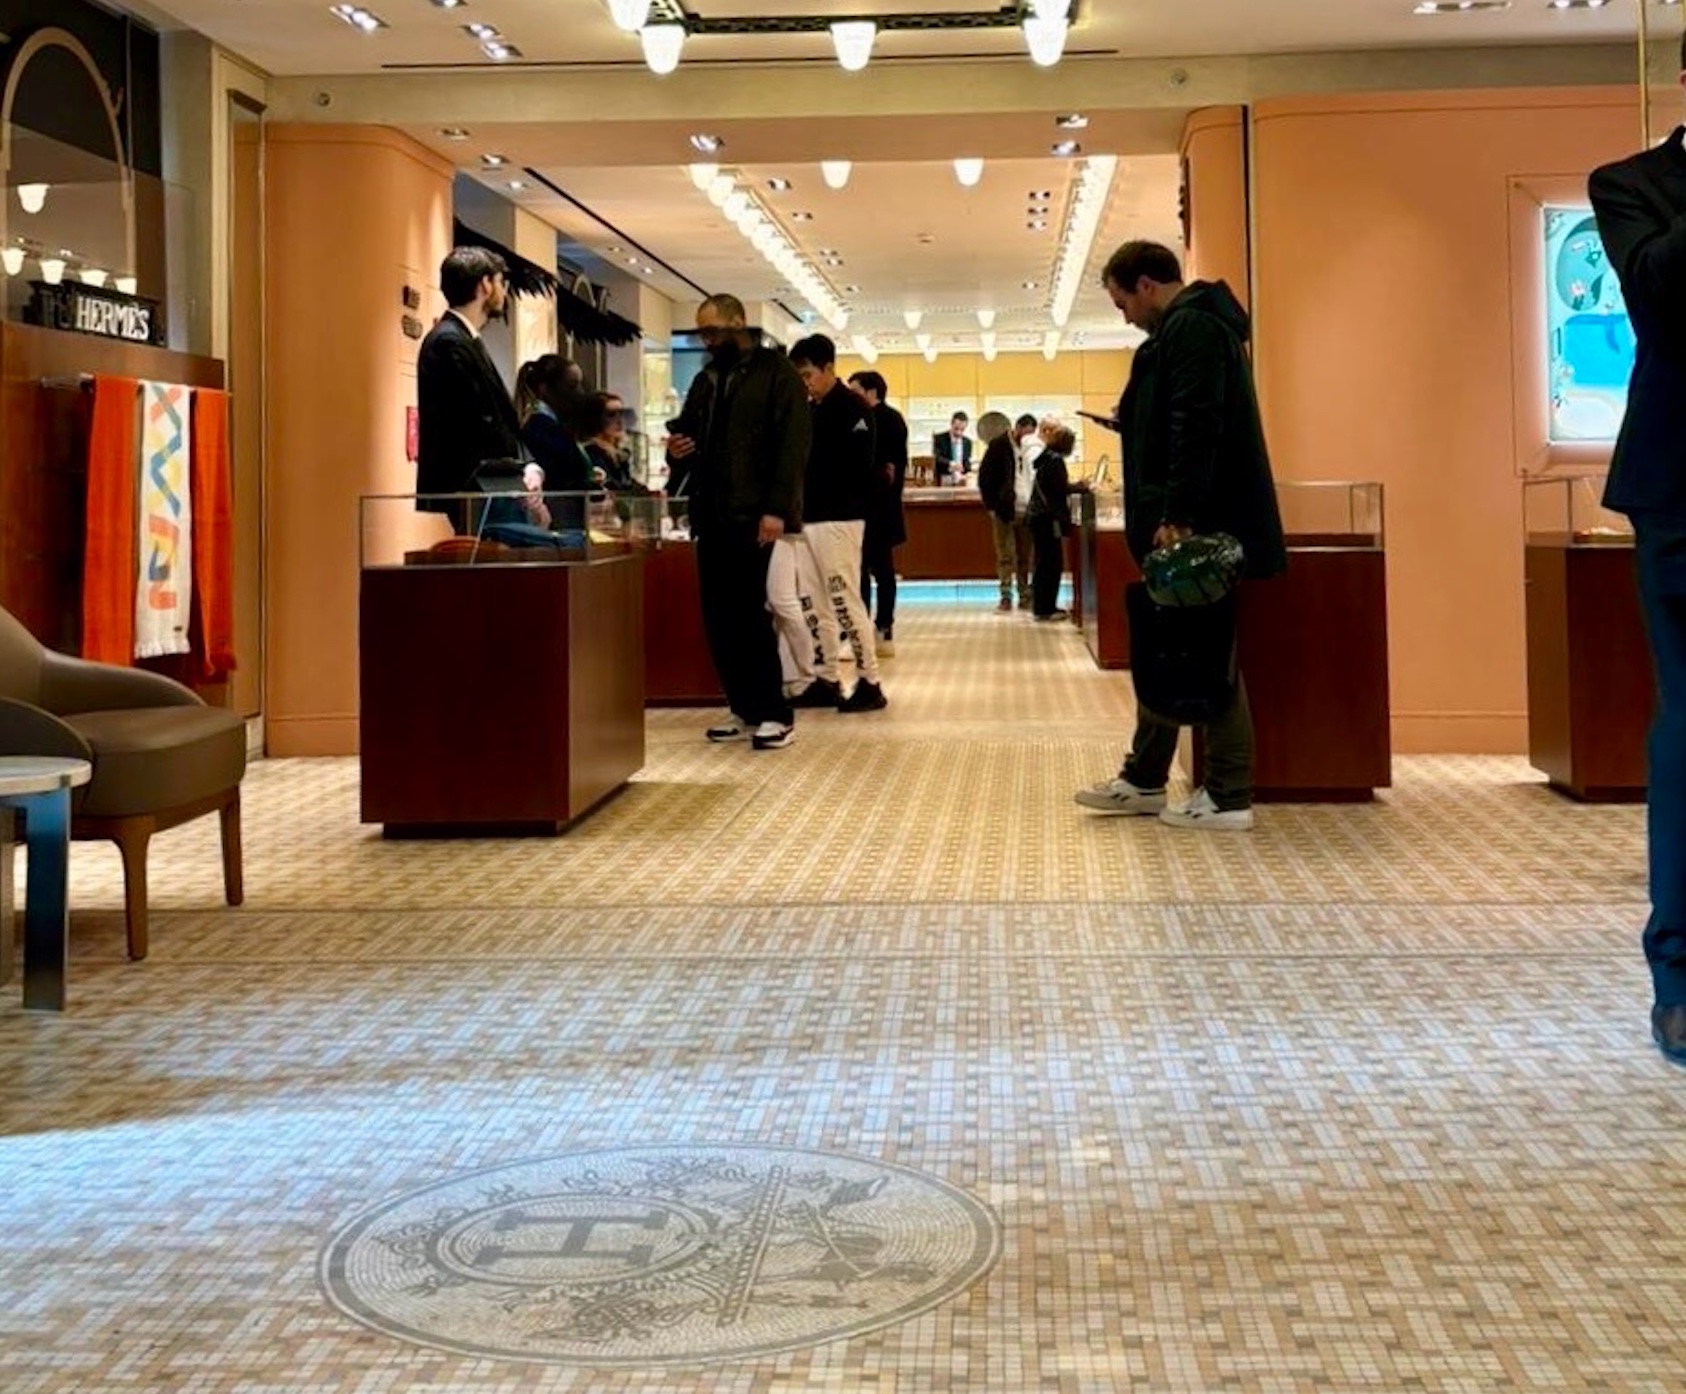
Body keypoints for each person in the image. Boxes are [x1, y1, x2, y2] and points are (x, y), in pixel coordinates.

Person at [1075, 240, 1285, 830]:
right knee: (1170, 647)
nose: (1125, 316)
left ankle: (1228, 795)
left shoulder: (1193, 328)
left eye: (1122, 303)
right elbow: (1181, 418)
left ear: (1145, 284)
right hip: (1187, 518)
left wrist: (1179, 514)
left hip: (1196, 525)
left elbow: (1196, 423)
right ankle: (1145, 777)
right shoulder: (1186, 331)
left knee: (1207, 655)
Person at [1588, 57, 1686, 1064]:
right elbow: (1662, 297)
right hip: (1682, 488)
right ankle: (1680, 977)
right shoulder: (1631, 187)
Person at [666, 293, 809, 751]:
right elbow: (687, 437)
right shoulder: (707, 379)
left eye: (713, 331)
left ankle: (774, 712)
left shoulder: (777, 374)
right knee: (719, 616)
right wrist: (677, 453)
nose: (707, 341)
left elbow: (792, 446)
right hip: (710, 512)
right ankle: (743, 705)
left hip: (753, 513)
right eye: (702, 334)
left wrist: (776, 509)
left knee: (750, 614)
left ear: (738, 323)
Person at [788, 334, 887, 713]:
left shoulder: (854, 408)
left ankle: (870, 680)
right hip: (807, 518)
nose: (806, 383)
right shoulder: (809, 409)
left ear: (828, 368)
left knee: (844, 599)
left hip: (840, 519)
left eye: (808, 374)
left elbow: (857, 465)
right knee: (813, 602)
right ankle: (826, 677)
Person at [415, 247, 522, 528]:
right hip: (478, 485)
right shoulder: (450, 342)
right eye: (500, 282)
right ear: (485, 285)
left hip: (486, 484)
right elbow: (474, 420)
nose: (504, 291)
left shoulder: (461, 339)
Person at [847, 370, 909, 653]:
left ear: (871, 392)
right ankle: (861, 629)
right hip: (859, 510)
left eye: (856, 390)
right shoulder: (856, 416)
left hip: (880, 510)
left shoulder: (890, 420)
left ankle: (884, 626)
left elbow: (893, 468)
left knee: (882, 570)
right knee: (859, 570)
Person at [518, 355, 590, 531]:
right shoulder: (540, 426)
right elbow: (559, 477)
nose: (580, 393)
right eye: (572, 386)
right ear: (545, 389)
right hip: (558, 518)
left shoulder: (553, 425)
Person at [978, 412, 1037, 612]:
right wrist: (991, 506)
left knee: (1024, 555)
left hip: (1027, 509)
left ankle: (1025, 594)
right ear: (1017, 428)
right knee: (1005, 555)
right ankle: (1006, 595)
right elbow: (985, 478)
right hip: (1004, 509)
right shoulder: (998, 446)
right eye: (1025, 434)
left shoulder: (1032, 448)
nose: (1027, 438)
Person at [1025, 420, 1073, 621]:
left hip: (1038, 517)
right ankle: (1046, 608)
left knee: (1043, 563)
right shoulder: (1056, 460)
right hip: (1047, 518)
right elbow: (1059, 489)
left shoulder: (1045, 458)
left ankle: (1042, 606)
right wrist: (1080, 487)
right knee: (1051, 564)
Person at [933, 412, 972, 486]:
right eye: (956, 429)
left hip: (961, 480)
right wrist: (951, 464)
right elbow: (937, 458)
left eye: (962, 430)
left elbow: (966, 461)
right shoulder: (939, 439)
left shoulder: (967, 442)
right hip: (944, 478)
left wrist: (968, 471)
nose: (959, 433)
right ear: (951, 424)